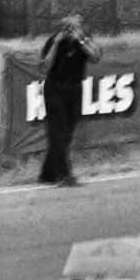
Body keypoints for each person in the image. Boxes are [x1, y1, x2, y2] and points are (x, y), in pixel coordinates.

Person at [38, 14, 100, 186]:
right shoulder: (54, 41)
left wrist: (80, 40)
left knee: (67, 133)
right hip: (55, 87)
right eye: (68, 28)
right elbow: (45, 66)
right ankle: (65, 174)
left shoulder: (83, 42)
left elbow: (96, 56)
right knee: (58, 132)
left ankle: (47, 174)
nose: (71, 31)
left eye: (75, 27)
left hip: (75, 88)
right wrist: (57, 43)